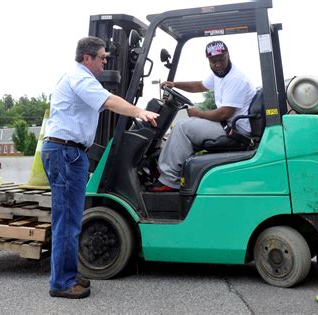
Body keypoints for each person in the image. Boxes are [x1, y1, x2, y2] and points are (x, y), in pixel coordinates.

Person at [42, 36, 158, 299]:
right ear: (87, 58)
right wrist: (138, 112)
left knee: (70, 219)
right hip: (66, 153)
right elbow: (108, 101)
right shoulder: (80, 78)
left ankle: (67, 273)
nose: (106, 61)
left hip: (69, 152)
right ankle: (61, 282)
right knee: (68, 221)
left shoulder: (79, 77)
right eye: (102, 57)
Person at [148, 40, 256, 192]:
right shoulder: (219, 74)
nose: (218, 64)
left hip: (235, 130)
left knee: (182, 127)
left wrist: (199, 113)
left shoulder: (235, 78)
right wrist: (175, 84)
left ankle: (169, 180)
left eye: (221, 60)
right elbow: (199, 86)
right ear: (208, 60)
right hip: (228, 125)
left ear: (228, 55)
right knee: (189, 123)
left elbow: (224, 113)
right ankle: (167, 170)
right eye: (213, 61)